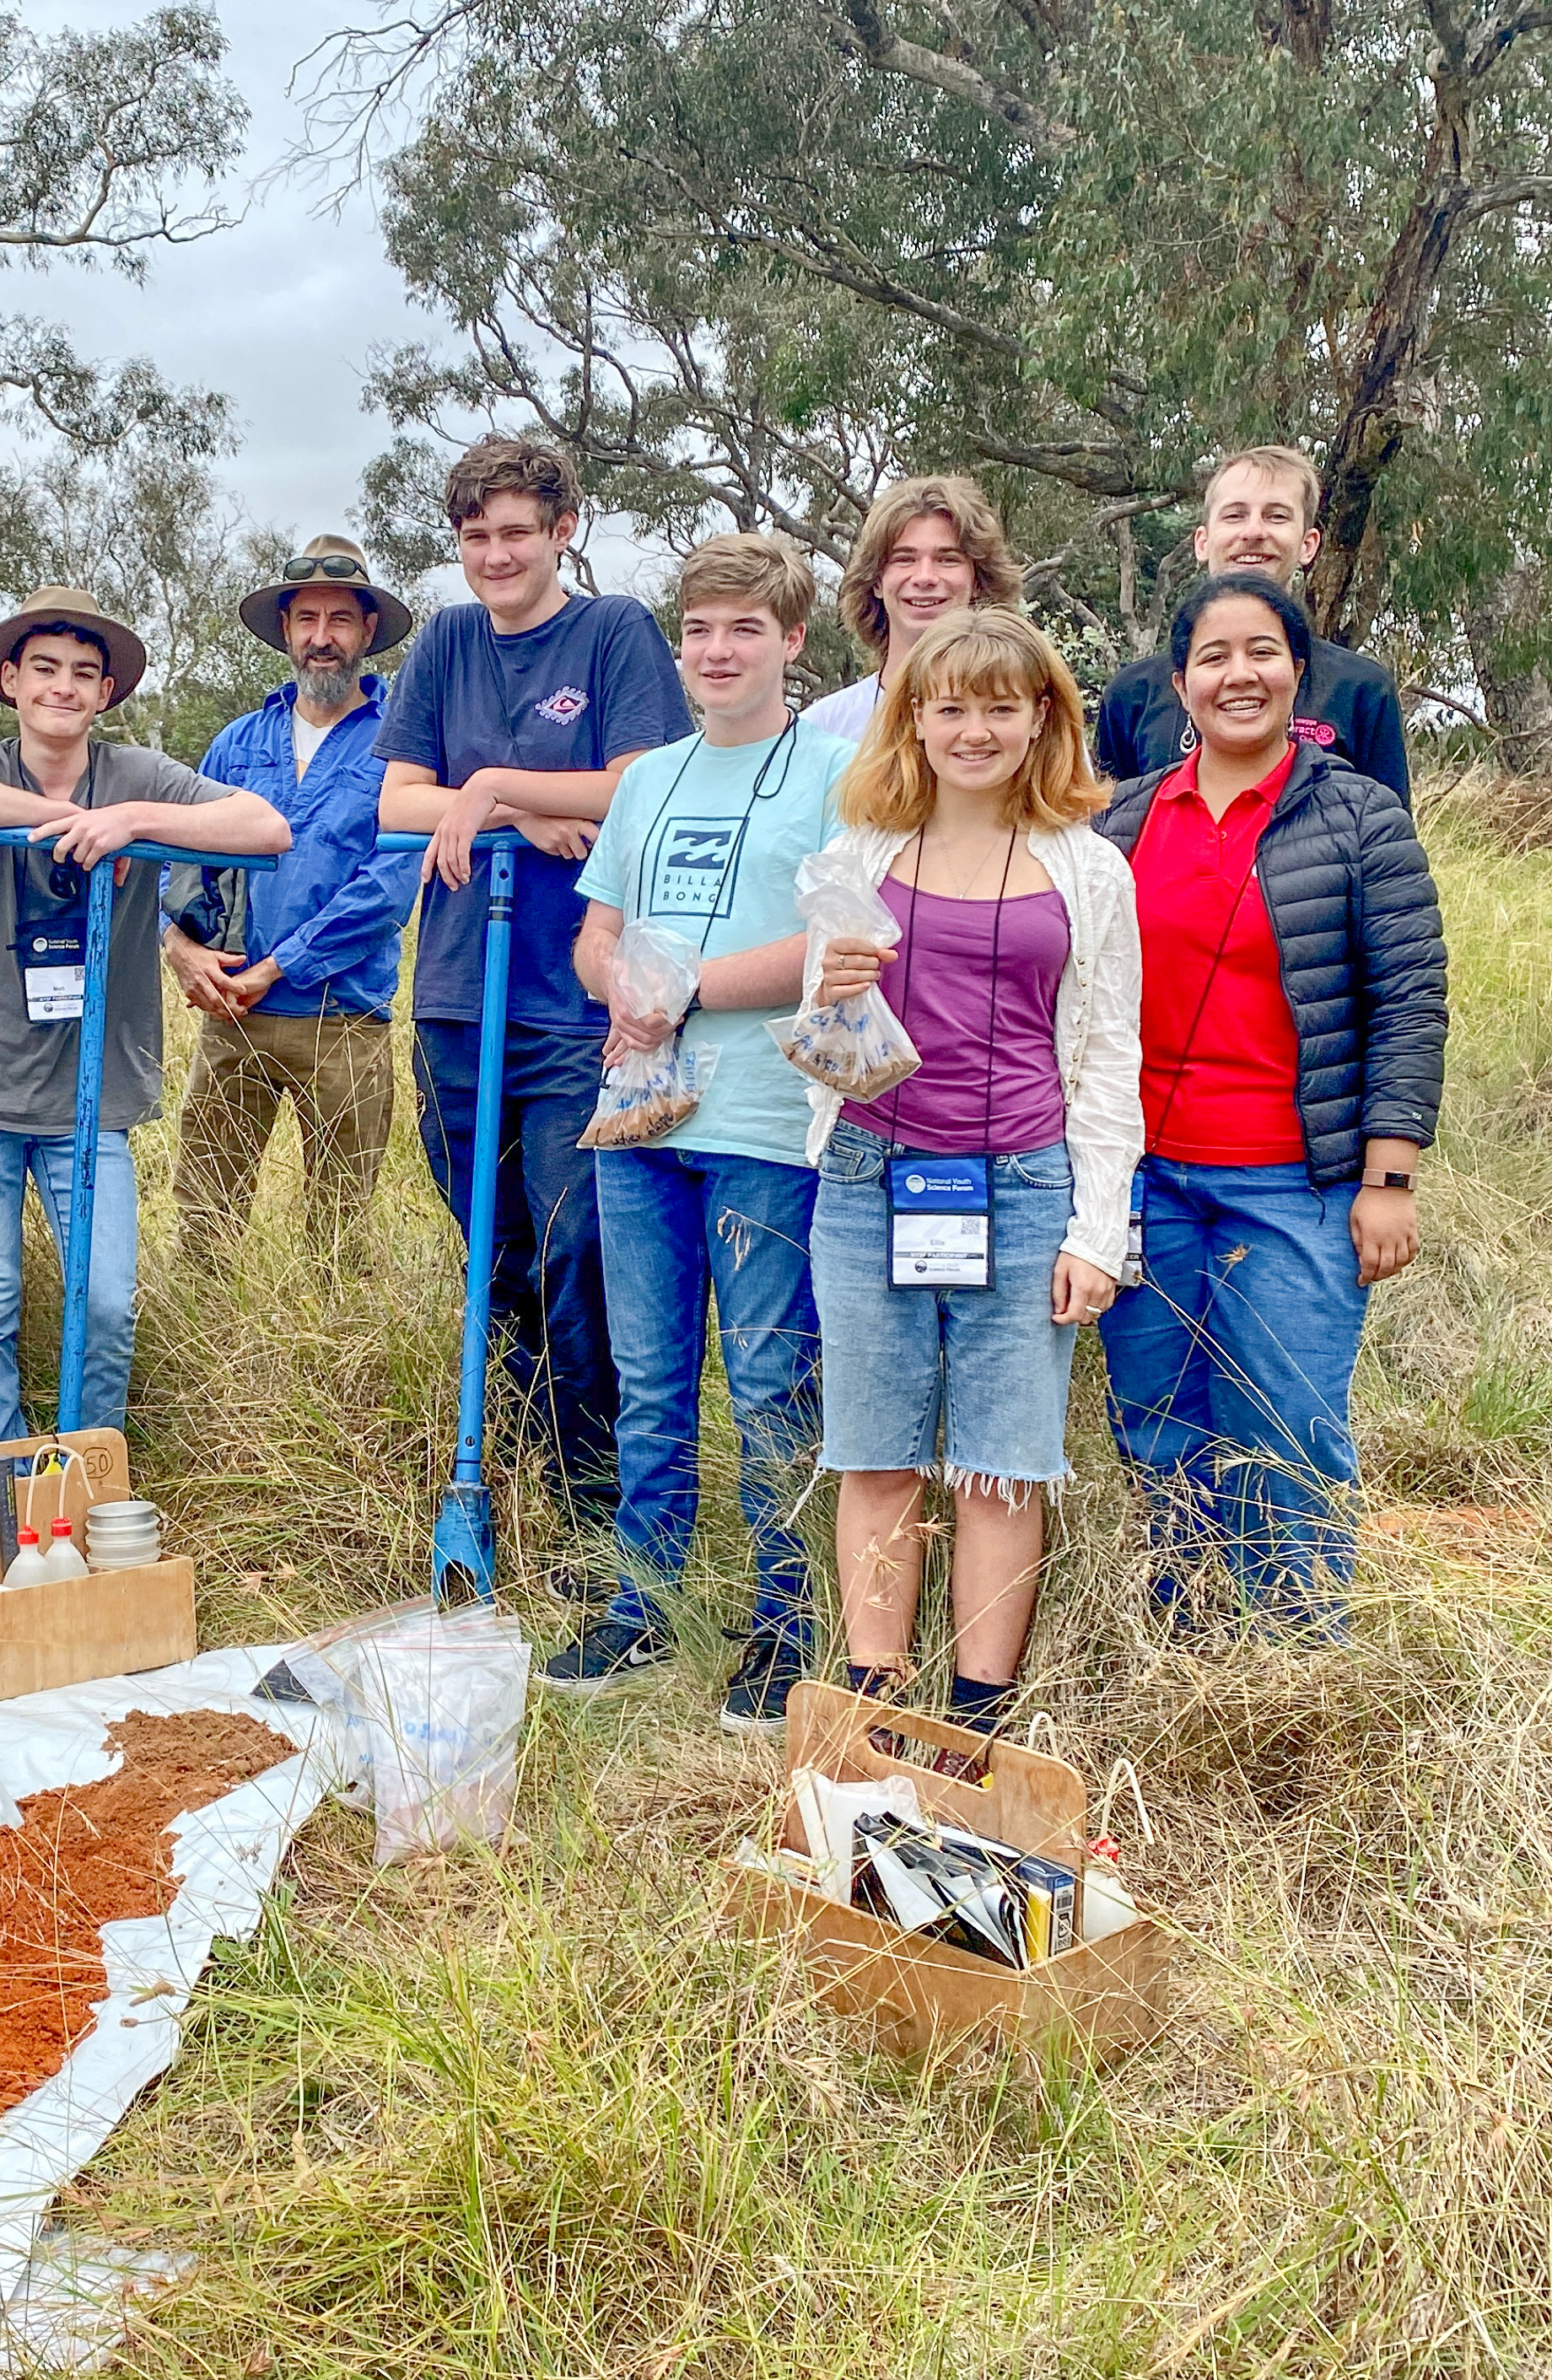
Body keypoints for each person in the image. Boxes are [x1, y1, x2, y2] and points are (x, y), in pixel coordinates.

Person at [803, 609, 1142, 1755]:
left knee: (1003, 1460)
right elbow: (823, 1036)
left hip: (1025, 1185)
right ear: (913, 719)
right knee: (877, 1448)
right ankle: (876, 1704)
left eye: (1003, 706)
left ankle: (978, 1722)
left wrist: (1099, 1231)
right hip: (868, 1180)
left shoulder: (1088, 870)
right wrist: (830, 988)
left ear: (1043, 716)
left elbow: (1106, 1056)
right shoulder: (857, 855)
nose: (975, 729)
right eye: (950, 707)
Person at [1091, 570, 1446, 1632]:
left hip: (1297, 1182)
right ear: (1180, 680)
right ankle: (1188, 1648)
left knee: (1288, 1424)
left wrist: (1390, 1177)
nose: (1238, 675)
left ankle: (1300, 1662)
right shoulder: (1125, 819)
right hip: (1146, 1182)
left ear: (1298, 670)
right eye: (1213, 656)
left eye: (1261, 652)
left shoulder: (1360, 817)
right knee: (1159, 1427)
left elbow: (1411, 998)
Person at [545, 534, 847, 1728]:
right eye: (701, 630)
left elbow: (837, 945)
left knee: (771, 1378)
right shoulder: (650, 778)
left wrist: (689, 990)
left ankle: (787, 1623)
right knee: (652, 1373)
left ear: (790, 642)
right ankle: (644, 1606)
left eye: (744, 630)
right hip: (639, 1112)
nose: (717, 652)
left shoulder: (835, 769)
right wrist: (620, 985)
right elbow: (594, 935)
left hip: (765, 1118)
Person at [376, 435, 686, 1527]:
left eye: (518, 532)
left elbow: (639, 785)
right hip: (458, 993)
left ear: (564, 531)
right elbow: (400, 802)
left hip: (573, 999)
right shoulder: (449, 643)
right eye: (476, 537)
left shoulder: (614, 634)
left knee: (573, 1251)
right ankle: (524, 1471)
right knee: (492, 1249)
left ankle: (600, 1503)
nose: (497, 555)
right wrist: (522, 810)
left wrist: (494, 783)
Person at [0, 586, 290, 1440]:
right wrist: (76, 824)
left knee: (109, 1301)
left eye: (85, 673)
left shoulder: (137, 776)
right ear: (11, 679)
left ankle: (89, 1473)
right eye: (44, 668)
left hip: (91, 1096)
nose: (63, 687)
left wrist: (132, 821)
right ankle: (0, 1483)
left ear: (107, 692)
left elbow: (265, 827)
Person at [165, 535, 420, 1262]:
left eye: (340, 620)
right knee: (204, 1224)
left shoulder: (402, 749)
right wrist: (181, 951)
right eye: (306, 619)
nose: (321, 638)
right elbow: (174, 866)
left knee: (340, 1236)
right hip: (230, 1019)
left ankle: (338, 1371)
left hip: (346, 1022)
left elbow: (388, 889)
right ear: (285, 630)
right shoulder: (236, 743)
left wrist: (276, 968)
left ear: (368, 631)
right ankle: (204, 1364)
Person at [1092, 444, 1412, 801]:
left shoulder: (1361, 689)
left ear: (1308, 545)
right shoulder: (1132, 694)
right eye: (1234, 516)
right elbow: (1104, 838)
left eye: (1276, 516)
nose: (1254, 532)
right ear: (1203, 542)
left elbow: (1390, 839)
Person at [799, 473, 1025, 746]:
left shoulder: (1025, 724)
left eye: (947, 559)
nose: (925, 577)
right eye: (905, 559)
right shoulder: (820, 731)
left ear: (978, 581)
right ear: (877, 582)